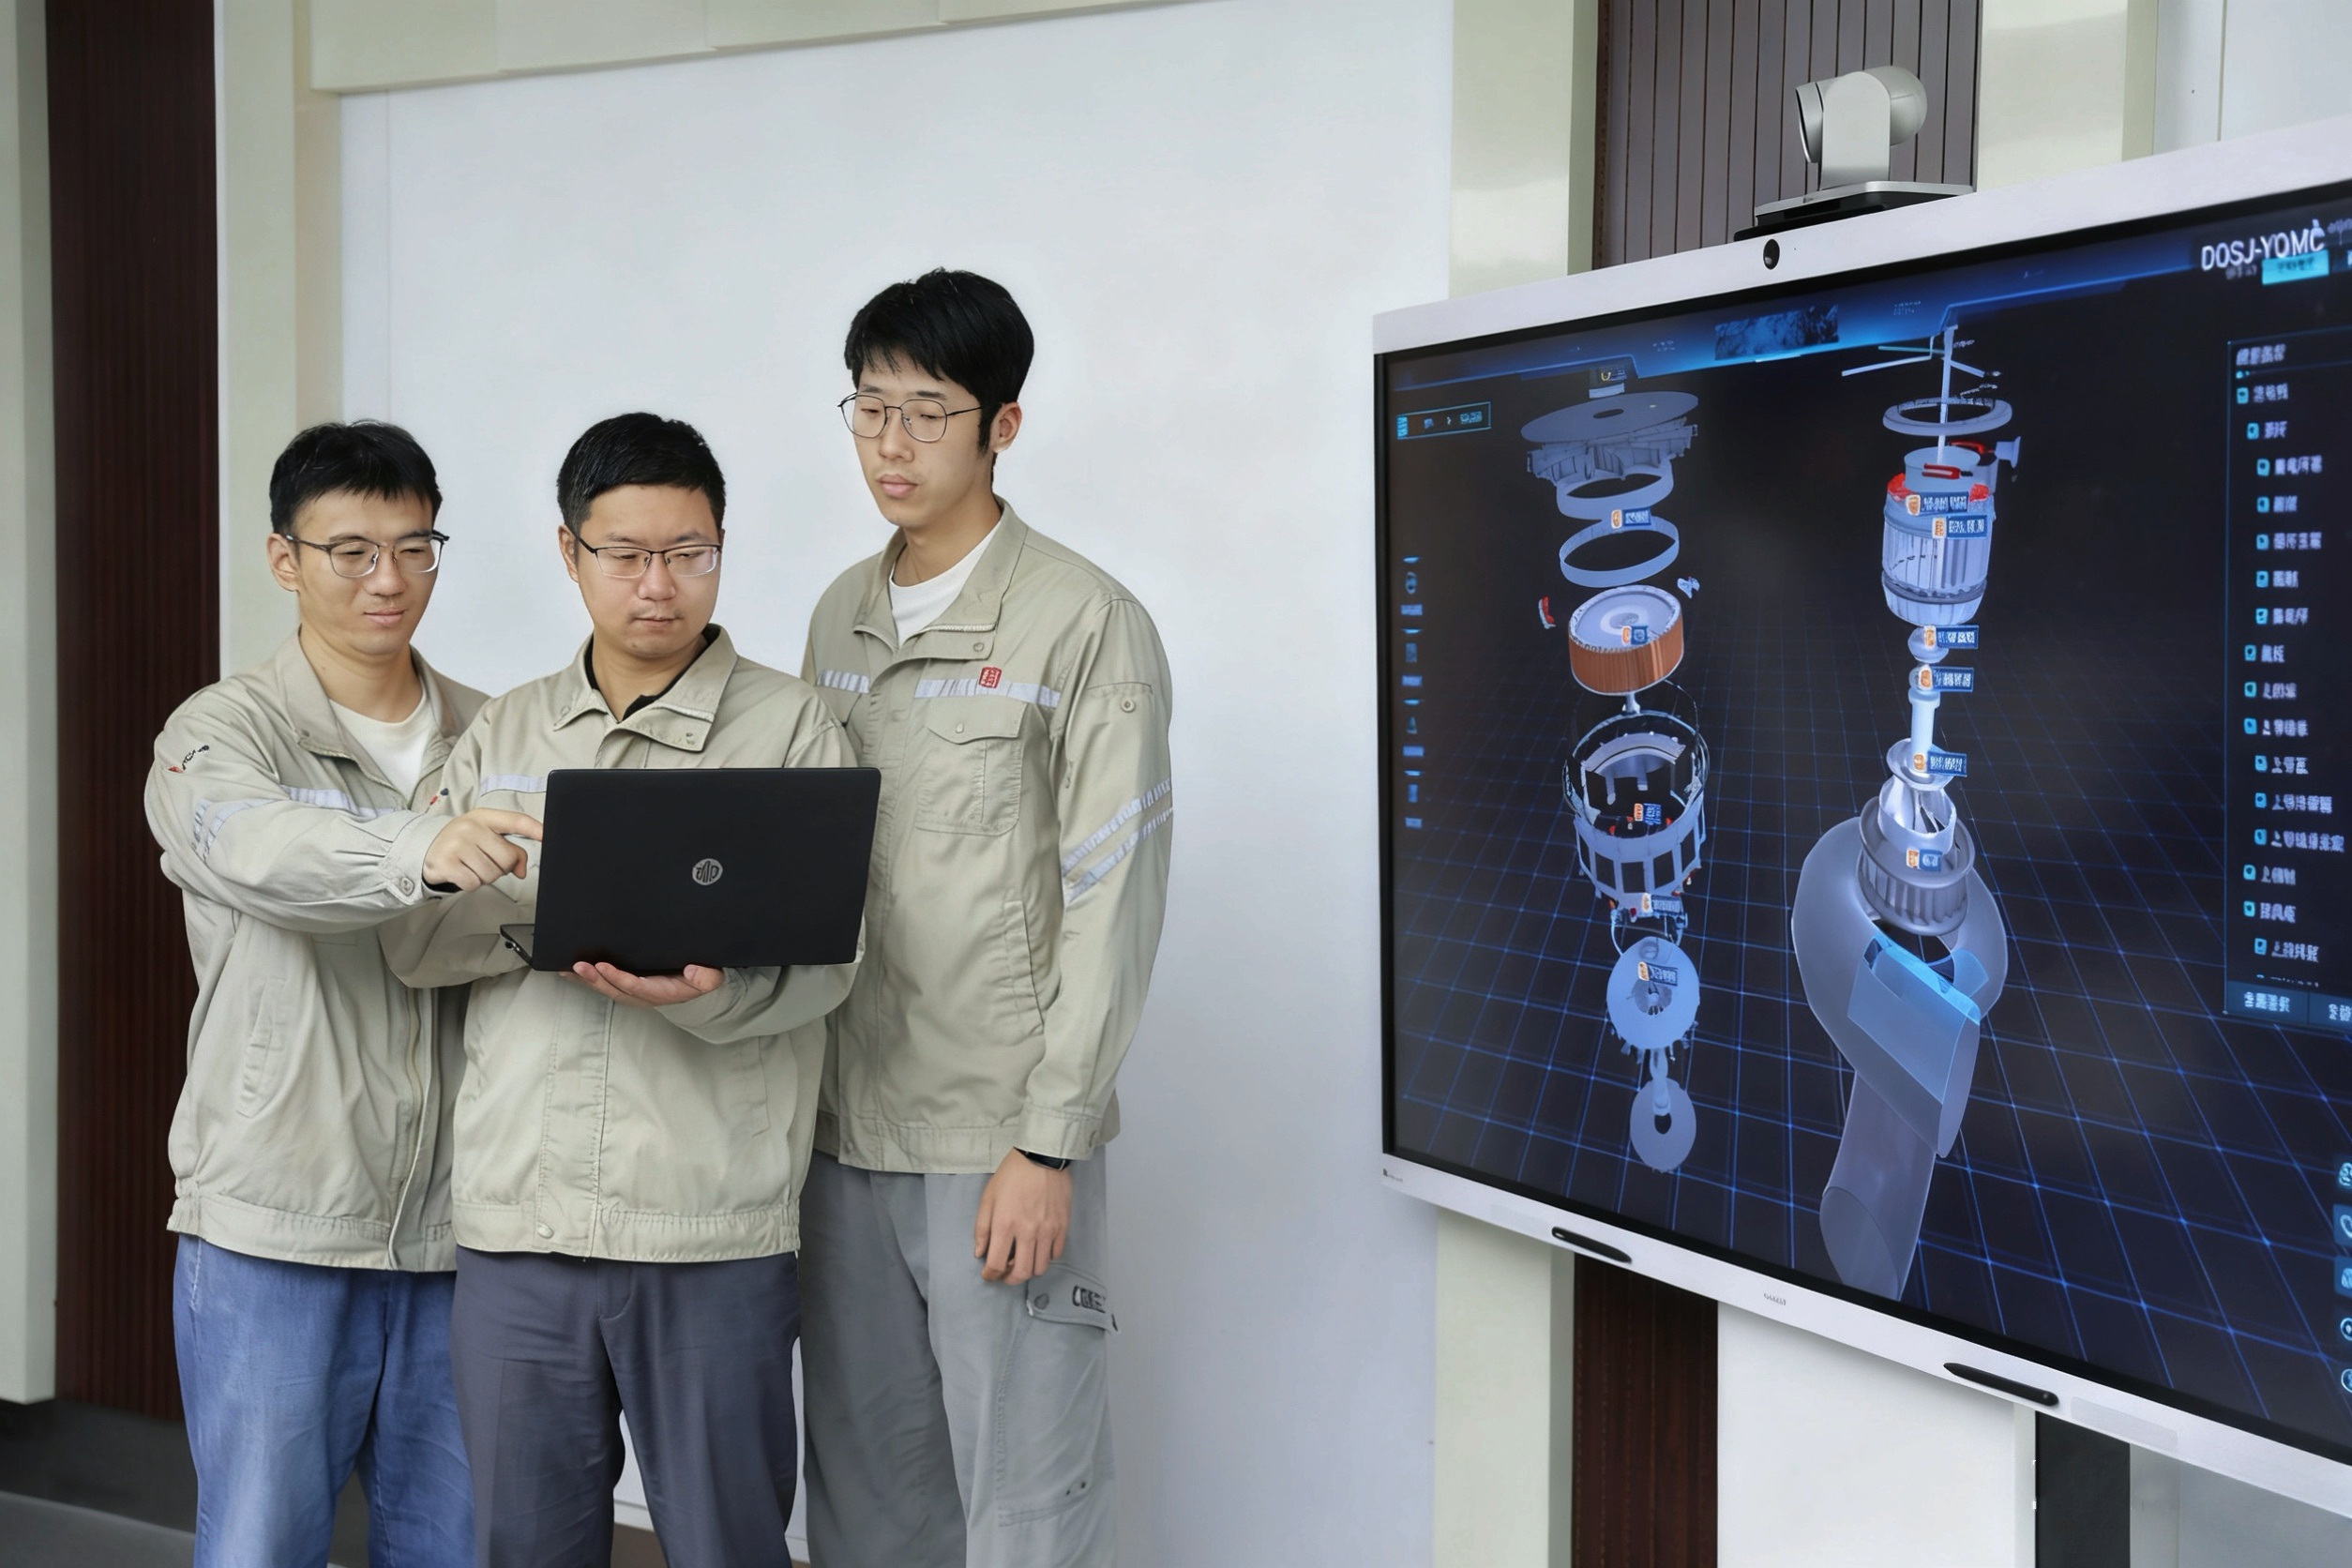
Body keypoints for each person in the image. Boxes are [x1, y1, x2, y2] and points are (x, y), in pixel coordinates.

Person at [381, 412, 857, 1568]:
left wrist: (699, 993)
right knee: (524, 1547)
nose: (658, 585)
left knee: (727, 1545)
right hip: (520, 1228)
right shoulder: (507, 728)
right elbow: (413, 943)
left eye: (689, 553)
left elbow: (832, 963)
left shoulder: (790, 728)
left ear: (721, 547)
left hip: (708, 1225)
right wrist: (546, 923)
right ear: (570, 552)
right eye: (627, 554)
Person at [799, 268, 1175, 1567]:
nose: (892, 445)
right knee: (865, 1503)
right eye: (870, 409)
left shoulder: (1085, 623)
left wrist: (1048, 1143)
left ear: (1001, 425)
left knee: (1024, 1508)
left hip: (993, 1140)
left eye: (928, 412)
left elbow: (1115, 897)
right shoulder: (839, 614)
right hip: (842, 1134)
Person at [144, 420, 540, 1568]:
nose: (388, 579)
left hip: (465, 1231)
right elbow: (258, 851)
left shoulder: (497, 731)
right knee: (261, 1545)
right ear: (285, 558)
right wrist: (422, 848)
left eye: (414, 548)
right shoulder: (220, 731)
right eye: (351, 551)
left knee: (456, 1547)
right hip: (277, 1221)